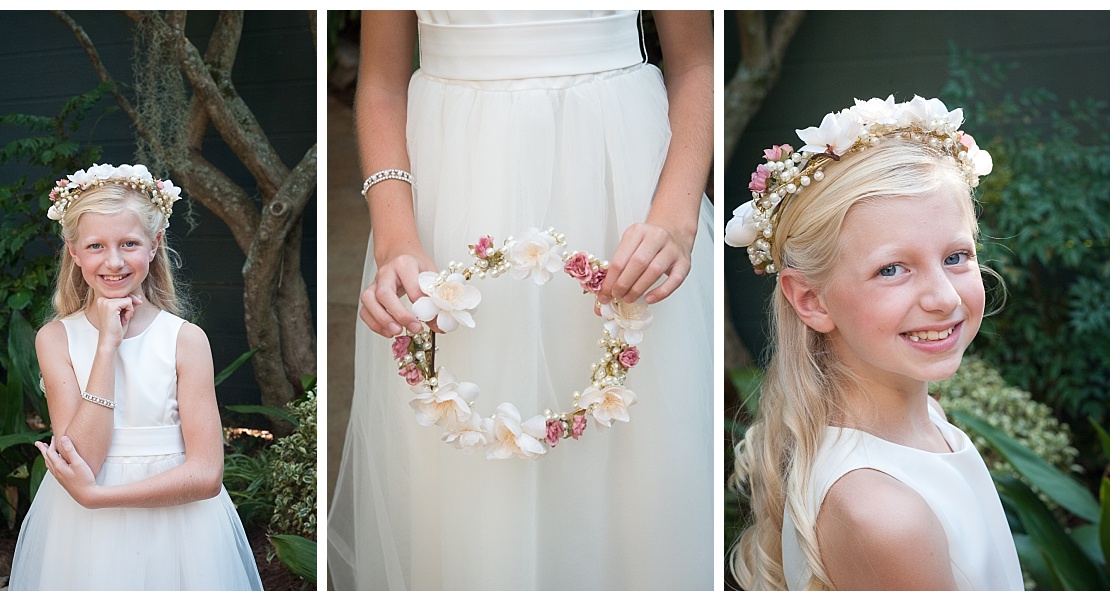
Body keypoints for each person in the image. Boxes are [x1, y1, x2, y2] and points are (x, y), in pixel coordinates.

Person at [328, 10, 714, 590]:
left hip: (622, 186)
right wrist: (396, 239)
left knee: (637, 455)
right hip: (455, 185)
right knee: (469, 464)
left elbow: (698, 61)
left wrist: (676, 220)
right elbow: (381, 81)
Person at [724, 95, 1024, 590]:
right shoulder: (884, 515)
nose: (944, 298)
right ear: (811, 299)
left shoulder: (926, 423)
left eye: (956, 256)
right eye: (892, 269)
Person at [9, 163, 262, 590]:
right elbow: (82, 459)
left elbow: (206, 475)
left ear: (154, 245)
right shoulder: (55, 339)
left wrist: (99, 497)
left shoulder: (185, 340)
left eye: (129, 243)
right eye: (95, 246)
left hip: (179, 526)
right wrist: (107, 346)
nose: (113, 261)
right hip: (82, 532)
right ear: (73, 252)